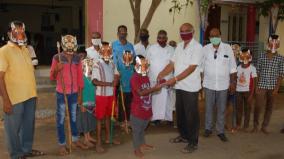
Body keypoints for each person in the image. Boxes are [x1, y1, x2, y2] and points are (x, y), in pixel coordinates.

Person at [0, 21, 44, 159]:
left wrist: (34, 94)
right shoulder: (3, 51)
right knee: (12, 129)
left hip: (30, 96)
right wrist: (6, 100)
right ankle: (16, 154)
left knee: (28, 126)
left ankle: (26, 149)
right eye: (16, 31)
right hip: (14, 98)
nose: (20, 34)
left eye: (22, 31)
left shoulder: (25, 49)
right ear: (9, 33)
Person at [157, 23, 203, 153]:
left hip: (191, 88)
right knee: (181, 114)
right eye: (181, 31)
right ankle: (183, 136)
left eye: (186, 31)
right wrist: (162, 73)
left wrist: (174, 79)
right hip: (179, 87)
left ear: (193, 32)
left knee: (191, 116)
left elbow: (191, 68)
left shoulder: (198, 47)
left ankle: (193, 142)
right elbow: (172, 64)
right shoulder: (179, 46)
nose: (184, 33)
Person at [50, 35, 88, 156]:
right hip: (62, 93)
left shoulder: (77, 58)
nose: (71, 54)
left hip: (74, 93)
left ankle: (75, 140)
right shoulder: (57, 58)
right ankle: (62, 144)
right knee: (61, 119)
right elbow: (52, 76)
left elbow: (80, 78)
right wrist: (57, 69)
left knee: (73, 117)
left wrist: (80, 95)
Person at [202, 28, 237, 142]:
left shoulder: (227, 49)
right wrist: (200, 81)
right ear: (209, 38)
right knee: (208, 108)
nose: (214, 38)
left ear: (220, 36)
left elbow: (232, 68)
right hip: (208, 84)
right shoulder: (205, 49)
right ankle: (208, 128)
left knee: (221, 108)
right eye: (211, 36)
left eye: (216, 35)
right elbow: (201, 68)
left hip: (223, 84)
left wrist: (232, 83)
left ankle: (220, 131)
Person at [130, 55, 162, 158]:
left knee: (142, 129)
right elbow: (141, 93)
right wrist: (154, 89)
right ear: (136, 65)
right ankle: (136, 149)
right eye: (141, 64)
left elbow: (148, 91)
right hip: (137, 111)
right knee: (137, 130)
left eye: (145, 64)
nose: (144, 67)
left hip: (146, 109)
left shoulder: (145, 76)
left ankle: (142, 144)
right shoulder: (134, 78)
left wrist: (157, 86)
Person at [92, 42, 120, 153]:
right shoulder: (97, 64)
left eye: (108, 50)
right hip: (101, 96)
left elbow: (117, 75)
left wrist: (116, 80)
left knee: (108, 117)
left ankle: (109, 138)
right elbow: (94, 81)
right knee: (99, 119)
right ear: (100, 52)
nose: (106, 52)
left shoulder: (113, 63)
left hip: (111, 95)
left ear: (111, 52)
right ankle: (98, 143)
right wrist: (109, 84)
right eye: (104, 50)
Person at [253, 34, 284, 134]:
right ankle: (255, 126)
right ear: (268, 44)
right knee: (258, 106)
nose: (273, 45)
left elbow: (281, 74)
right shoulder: (261, 55)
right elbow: (257, 71)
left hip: (273, 87)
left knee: (269, 107)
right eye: (272, 43)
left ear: (278, 44)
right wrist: (256, 86)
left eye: (276, 43)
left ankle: (264, 126)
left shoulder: (280, 58)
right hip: (261, 85)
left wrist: (277, 88)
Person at [146, 30, 175, 122]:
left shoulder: (171, 49)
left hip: (167, 79)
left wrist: (173, 78)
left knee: (167, 100)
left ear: (166, 38)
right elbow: (147, 63)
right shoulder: (151, 48)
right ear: (157, 38)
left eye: (163, 38)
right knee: (155, 99)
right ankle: (155, 118)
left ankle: (167, 118)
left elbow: (173, 64)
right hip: (154, 78)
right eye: (159, 38)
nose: (161, 39)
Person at [112, 25, 136, 129]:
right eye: (121, 32)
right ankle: (121, 120)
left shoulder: (130, 46)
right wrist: (116, 72)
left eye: (124, 32)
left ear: (126, 33)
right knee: (118, 99)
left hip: (129, 76)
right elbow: (111, 60)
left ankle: (128, 120)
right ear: (118, 33)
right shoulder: (113, 45)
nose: (123, 33)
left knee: (128, 99)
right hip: (117, 76)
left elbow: (134, 60)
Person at [76, 51, 97, 148]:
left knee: (89, 120)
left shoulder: (92, 77)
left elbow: (94, 89)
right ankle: (85, 139)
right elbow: (79, 91)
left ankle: (89, 137)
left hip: (91, 101)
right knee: (84, 120)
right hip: (84, 102)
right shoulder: (80, 77)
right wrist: (80, 104)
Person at [235, 48, 257, 132]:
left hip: (248, 92)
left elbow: (255, 81)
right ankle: (238, 125)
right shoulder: (238, 68)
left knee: (248, 109)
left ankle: (246, 126)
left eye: (246, 55)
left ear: (250, 57)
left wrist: (252, 94)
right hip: (238, 91)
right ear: (240, 56)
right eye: (242, 55)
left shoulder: (253, 68)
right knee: (238, 109)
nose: (245, 58)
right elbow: (235, 78)